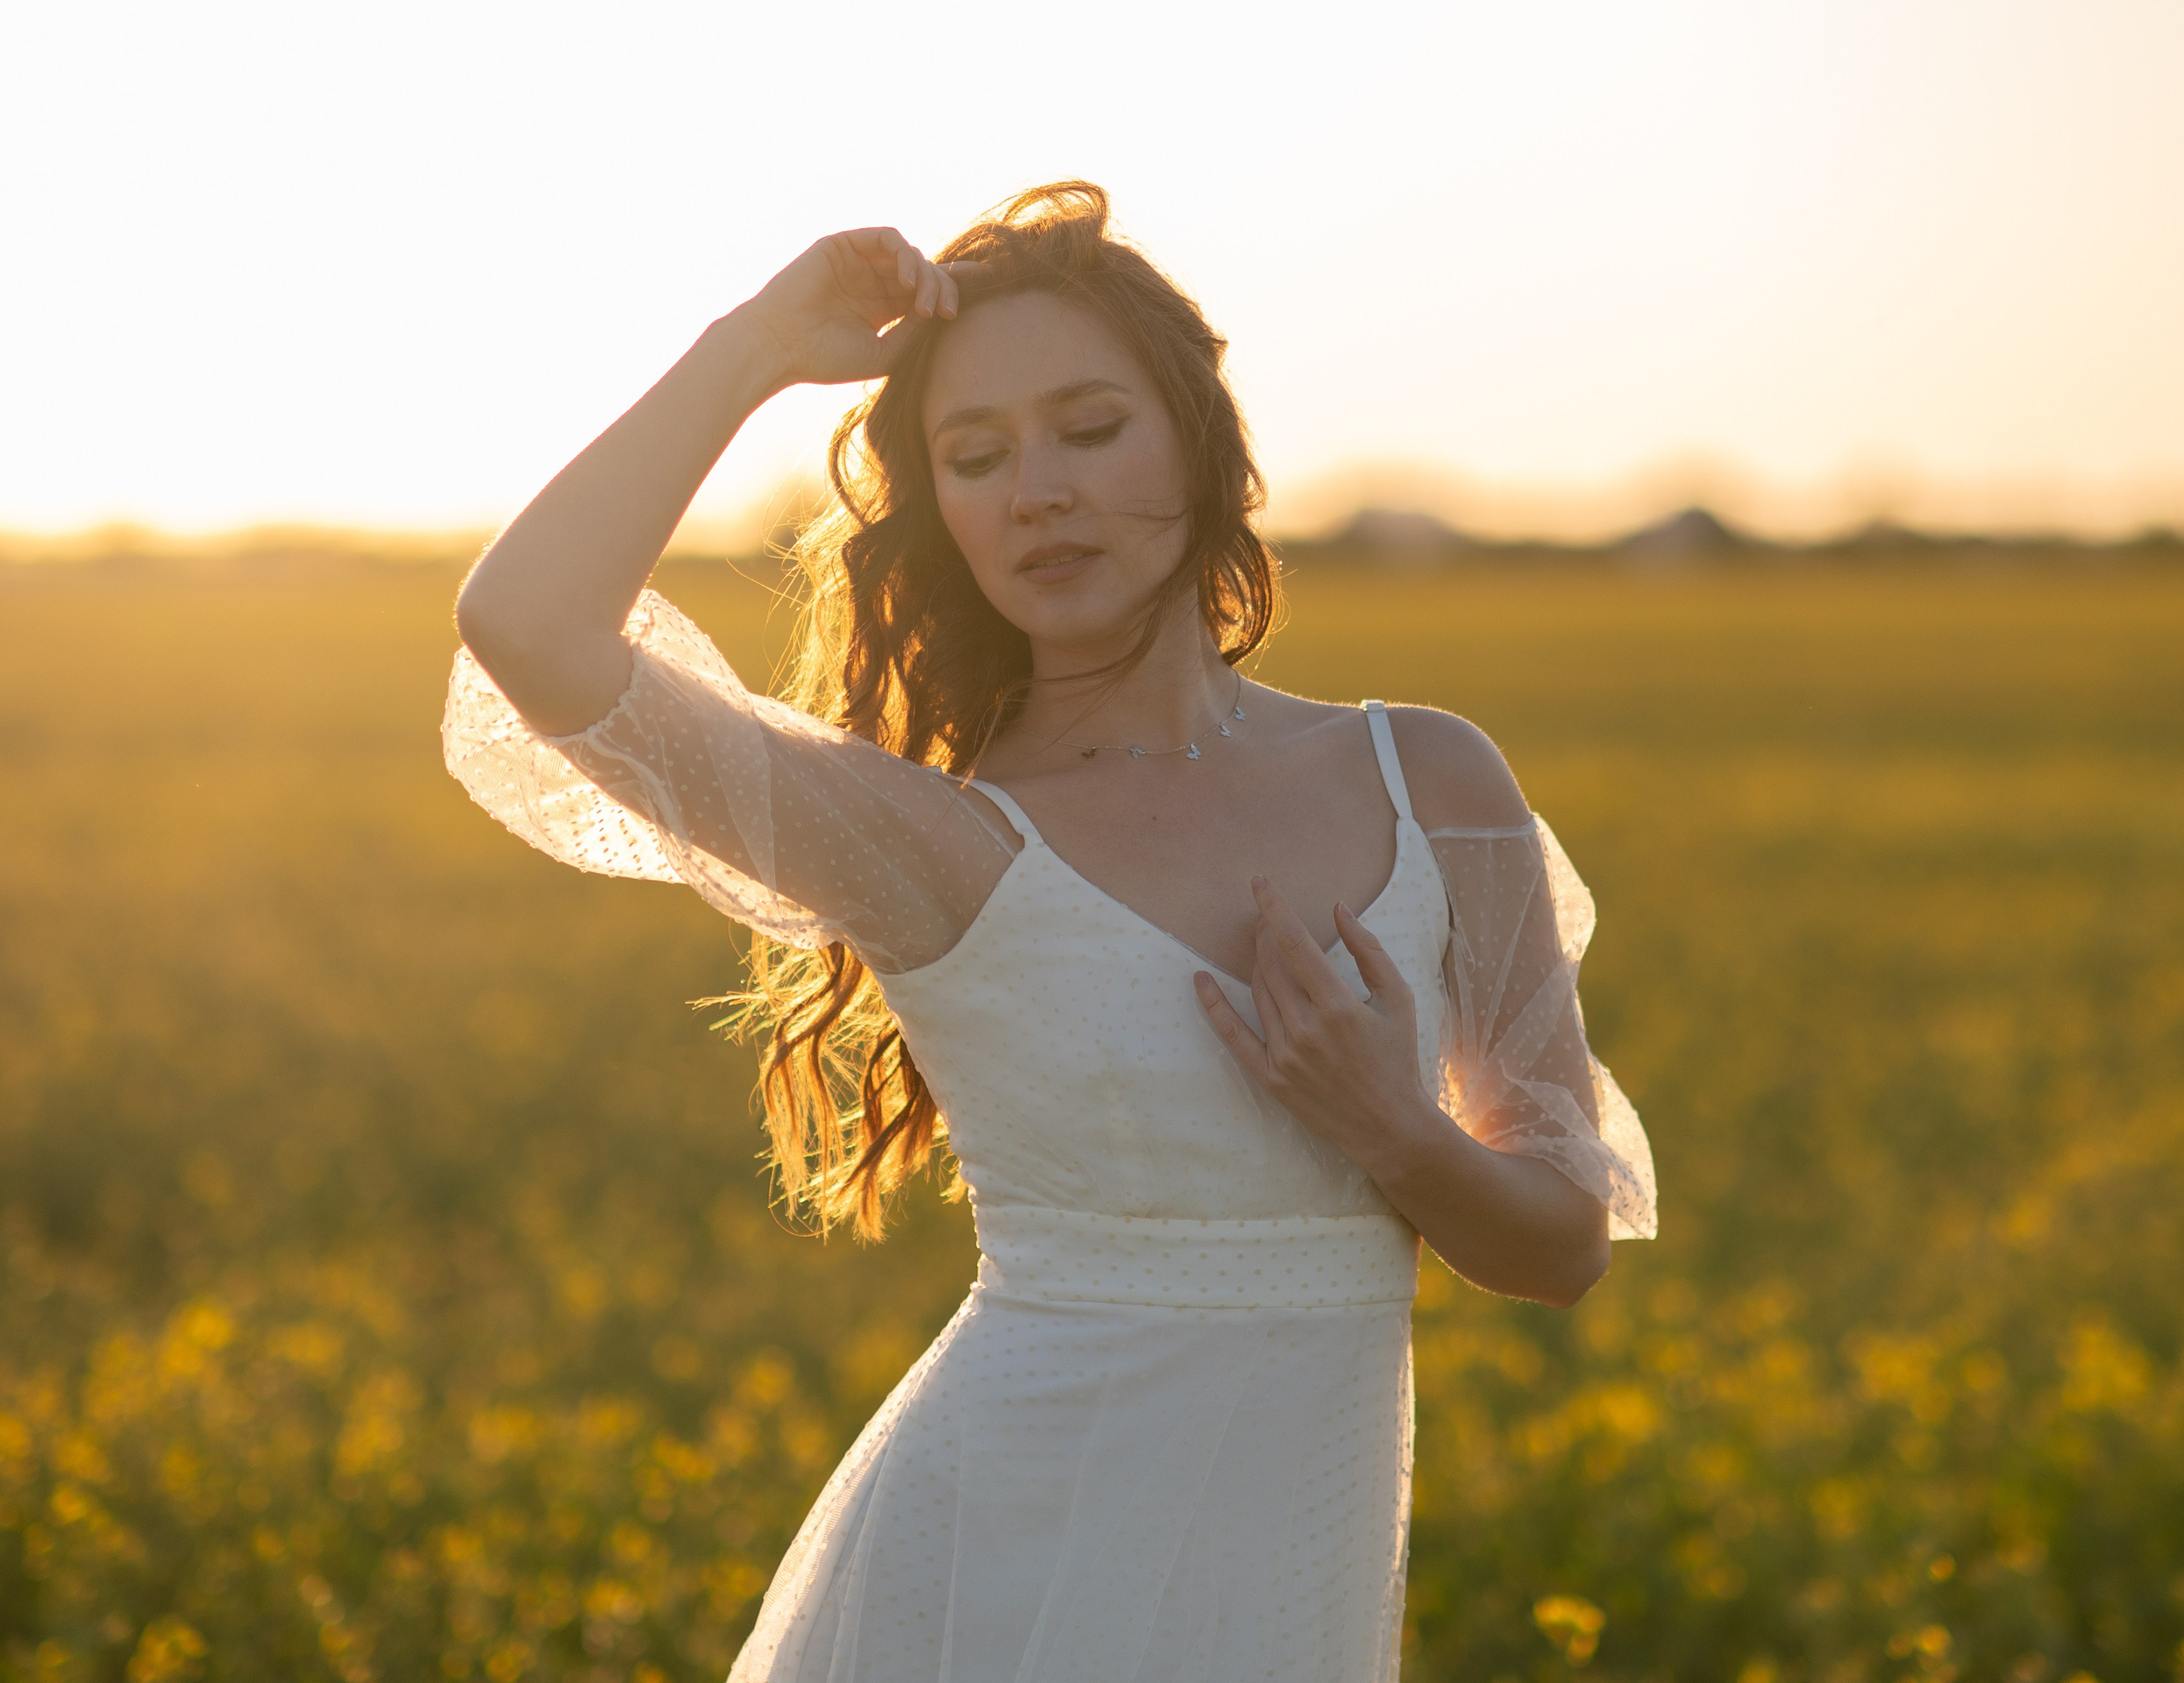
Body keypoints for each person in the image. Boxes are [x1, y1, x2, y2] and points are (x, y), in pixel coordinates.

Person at [444, 181, 1654, 1681]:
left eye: (1091, 429)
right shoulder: (927, 839)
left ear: (1203, 448)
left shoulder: (1430, 780)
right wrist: (754, 345)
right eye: (977, 456)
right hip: (985, 1580)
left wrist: (1396, 1130)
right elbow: (531, 630)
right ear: (941, 509)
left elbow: (1562, 1250)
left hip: (1291, 1591)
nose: (1037, 493)